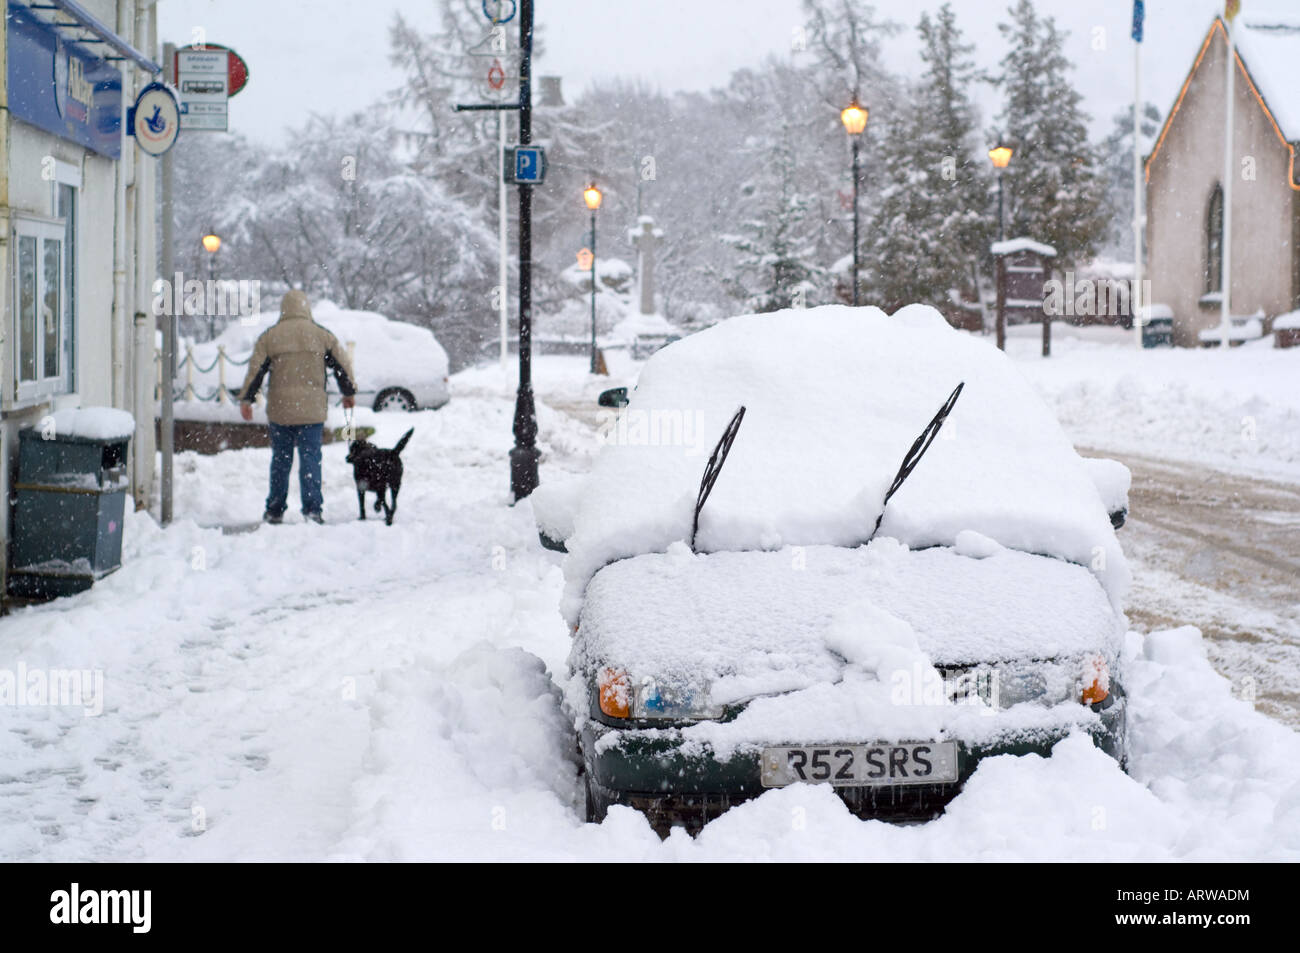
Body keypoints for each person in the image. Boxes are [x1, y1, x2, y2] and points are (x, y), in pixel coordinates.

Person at [238, 290, 356, 524]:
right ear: (306, 308)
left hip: (281, 410)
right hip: (312, 410)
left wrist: (246, 399)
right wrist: (348, 392)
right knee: (310, 458)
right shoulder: (322, 336)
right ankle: (312, 510)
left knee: (281, 460)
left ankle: (275, 509)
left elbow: (255, 371)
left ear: (284, 309)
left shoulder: (270, 337)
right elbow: (343, 365)